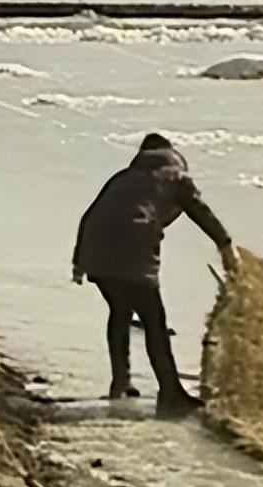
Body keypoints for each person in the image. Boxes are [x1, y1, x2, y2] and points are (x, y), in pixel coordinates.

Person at [72, 133, 237, 412]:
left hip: (95, 253)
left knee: (120, 312)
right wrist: (225, 245)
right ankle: (170, 392)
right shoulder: (173, 175)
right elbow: (198, 209)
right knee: (154, 322)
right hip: (133, 247)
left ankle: (120, 382)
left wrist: (79, 262)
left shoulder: (123, 178)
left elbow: (91, 215)